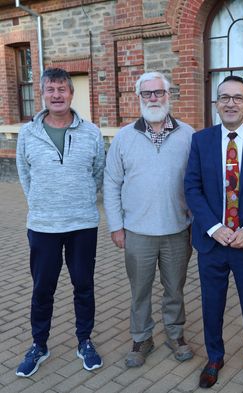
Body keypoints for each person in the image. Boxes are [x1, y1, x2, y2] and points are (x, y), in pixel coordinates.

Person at [184, 75, 243, 389]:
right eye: (224, 97)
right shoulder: (201, 140)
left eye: (237, 97)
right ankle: (215, 357)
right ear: (216, 103)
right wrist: (213, 228)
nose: (230, 103)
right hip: (213, 243)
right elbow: (192, 188)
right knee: (212, 305)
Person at [15, 68, 105, 377]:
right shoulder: (28, 134)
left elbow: (97, 172)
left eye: (61, 90)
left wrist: (76, 199)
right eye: (50, 89)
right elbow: (24, 175)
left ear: (71, 94)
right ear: (43, 94)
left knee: (84, 286)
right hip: (43, 227)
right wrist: (43, 203)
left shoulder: (91, 132)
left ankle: (85, 341)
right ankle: (39, 344)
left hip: (82, 225)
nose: (56, 95)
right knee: (43, 290)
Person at [103, 72, 195, 367]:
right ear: (139, 97)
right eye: (147, 94)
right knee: (140, 289)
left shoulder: (188, 135)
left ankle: (174, 333)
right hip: (137, 232)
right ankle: (142, 337)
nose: (153, 98)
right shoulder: (124, 137)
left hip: (177, 229)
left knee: (174, 287)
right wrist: (116, 225)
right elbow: (111, 183)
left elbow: (199, 181)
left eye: (159, 93)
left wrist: (196, 221)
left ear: (169, 95)